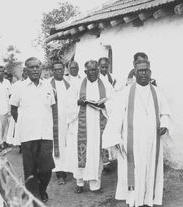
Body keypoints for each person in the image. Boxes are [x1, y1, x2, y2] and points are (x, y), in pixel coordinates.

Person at [103, 59, 171, 207]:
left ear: (150, 72)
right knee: (134, 170)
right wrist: (115, 138)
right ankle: (134, 200)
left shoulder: (157, 92)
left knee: (150, 168)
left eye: (146, 70)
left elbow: (165, 113)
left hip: (152, 140)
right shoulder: (125, 93)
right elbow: (116, 117)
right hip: (132, 141)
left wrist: (164, 124)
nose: (144, 73)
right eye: (140, 70)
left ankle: (149, 199)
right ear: (134, 72)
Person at [10, 57, 55, 203]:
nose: (35, 69)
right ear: (26, 70)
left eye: (37, 67)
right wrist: (25, 124)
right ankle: (34, 199)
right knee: (30, 171)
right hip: (28, 135)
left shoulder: (48, 85)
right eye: (31, 67)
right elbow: (13, 109)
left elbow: (52, 106)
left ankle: (41, 190)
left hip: (45, 135)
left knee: (46, 169)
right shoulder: (19, 87)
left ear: (41, 68)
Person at [65, 60, 113, 193]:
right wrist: (78, 102)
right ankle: (79, 183)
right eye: (90, 70)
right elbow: (68, 102)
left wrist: (104, 105)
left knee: (95, 155)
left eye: (95, 69)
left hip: (98, 126)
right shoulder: (77, 84)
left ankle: (95, 185)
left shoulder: (105, 84)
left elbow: (113, 100)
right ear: (85, 71)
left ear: (98, 70)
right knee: (80, 154)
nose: (93, 72)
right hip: (81, 125)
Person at [49, 61, 70, 185]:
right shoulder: (48, 85)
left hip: (67, 121)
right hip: (54, 122)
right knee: (57, 147)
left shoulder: (69, 84)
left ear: (64, 70)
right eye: (56, 69)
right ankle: (59, 174)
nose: (59, 71)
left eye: (61, 69)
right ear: (53, 71)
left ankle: (66, 169)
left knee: (67, 146)